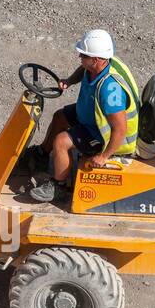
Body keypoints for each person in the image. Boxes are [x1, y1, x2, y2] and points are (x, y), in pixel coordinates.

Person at [28, 29, 141, 203]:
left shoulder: (110, 90)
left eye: (83, 55)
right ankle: (42, 154)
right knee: (60, 117)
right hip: (90, 116)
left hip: (102, 134)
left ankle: (59, 186)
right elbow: (83, 70)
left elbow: (120, 128)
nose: (80, 57)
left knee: (61, 141)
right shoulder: (101, 63)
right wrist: (69, 80)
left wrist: (104, 156)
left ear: (95, 60)